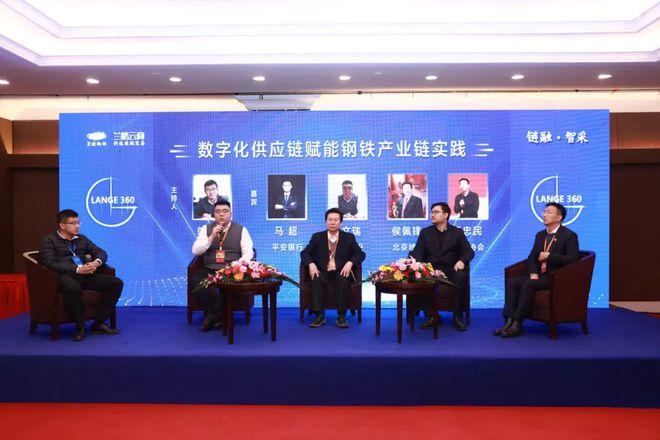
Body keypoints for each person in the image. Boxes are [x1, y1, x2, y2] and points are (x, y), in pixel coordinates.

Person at [495, 202, 579, 338]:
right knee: (512, 282)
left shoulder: (569, 235)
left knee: (528, 283)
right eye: (544, 212)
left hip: (556, 277)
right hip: (539, 275)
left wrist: (550, 256)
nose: (544, 215)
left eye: (549, 212)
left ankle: (518, 323)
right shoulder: (540, 235)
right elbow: (532, 257)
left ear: (559, 217)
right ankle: (508, 322)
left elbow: (573, 258)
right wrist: (533, 272)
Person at [39, 209, 123, 341]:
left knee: (116, 283)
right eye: (73, 223)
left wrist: (96, 263)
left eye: (78, 222)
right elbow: (49, 263)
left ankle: (98, 322)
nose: (77, 226)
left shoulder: (82, 239)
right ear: (62, 225)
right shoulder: (49, 240)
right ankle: (80, 327)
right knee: (73, 287)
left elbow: (101, 252)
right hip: (64, 276)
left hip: (85, 275)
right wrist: (77, 269)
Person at [410, 202, 474, 331]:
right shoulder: (425, 233)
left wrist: (462, 261)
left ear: (445, 215)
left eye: (436, 212)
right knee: (419, 278)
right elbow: (418, 252)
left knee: (460, 277)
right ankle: (432, 316)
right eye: (431, 212)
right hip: (431, 270)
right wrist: (417, 264)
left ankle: (457, 316)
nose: (432, 215)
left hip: (451, 269)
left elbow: (469, 251)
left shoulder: (457, 233)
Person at [191, 200, 254, 331]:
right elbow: (196, 251)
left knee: (229, 286)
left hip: (230, 269)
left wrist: (239, 263)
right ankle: (221, 315)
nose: (221, 214)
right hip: (210, 268)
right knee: (195, 281)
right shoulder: (206, 229)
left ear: (231, 214)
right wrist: (211, 237)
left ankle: (210, 318)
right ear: (213, 214)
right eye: (218, 211)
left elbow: (248, 252)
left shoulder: (241, 230)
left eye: (225, 211)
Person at [301, 208, 365, 328]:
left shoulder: (348, 237)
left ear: (340, 222)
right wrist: (311, 264)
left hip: (340, 271)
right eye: (330, 220)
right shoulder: (317, 237)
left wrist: (350, 262)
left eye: (336, 220)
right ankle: (319, 316)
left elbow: (360, 254)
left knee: (343, 279)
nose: (332, 222)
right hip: (322, 271)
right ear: (326, 221)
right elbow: (305, 253)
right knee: (316, 278)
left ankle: (341, 316)